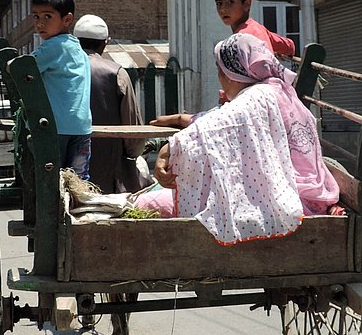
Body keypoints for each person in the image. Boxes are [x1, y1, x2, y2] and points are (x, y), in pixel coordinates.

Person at [136, 33, 340, 244]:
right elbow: (220, 118)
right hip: (307, 196)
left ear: (233, 73)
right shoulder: (277, 91)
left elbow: (219, 126)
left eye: (220, 70)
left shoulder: (257, 97)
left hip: (288, 201)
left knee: (147, 204)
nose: (220, 78)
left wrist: (169, 149)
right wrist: (180, 119)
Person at [73, 13, 146, 193]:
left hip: (67, 171)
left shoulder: (61, 71)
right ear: (105, 42)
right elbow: (133, 135)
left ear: (76, 41)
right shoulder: (116, 73)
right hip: (109, 178)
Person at [31, 0, 92, 179]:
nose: (40, 23)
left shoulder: (52, 47)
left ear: (67, 20)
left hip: (56, 128)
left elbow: (22, 67)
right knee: (78, 181)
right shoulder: (77, 48)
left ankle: (53, 211)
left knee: (50, 181)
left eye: (47, 16)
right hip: (82, 128)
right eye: (36, 17)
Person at [213, 0, 295, 56]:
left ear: (247, 4)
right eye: (219, 3)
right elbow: (289, 46)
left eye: (230, 2)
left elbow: (262, 67)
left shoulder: (241, 39)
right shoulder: (259, 29)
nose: (222, 9)